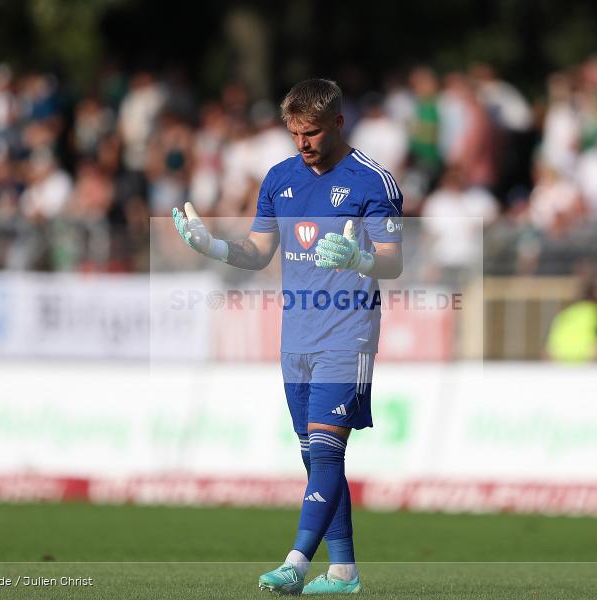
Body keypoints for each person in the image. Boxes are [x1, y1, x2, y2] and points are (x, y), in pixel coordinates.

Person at [172, 78, 403, 595]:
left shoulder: (373, 181)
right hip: (295, 335)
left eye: (312, 132)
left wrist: (361, 258)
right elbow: (258, 252)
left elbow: (393, 261)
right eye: (295, 133)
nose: (303, 143)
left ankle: (296, 563)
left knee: (326, 452)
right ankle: (343, 572)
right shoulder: (279, 178)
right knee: (315, 457)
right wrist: (213, 247)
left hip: (348, 332)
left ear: (338, 123)